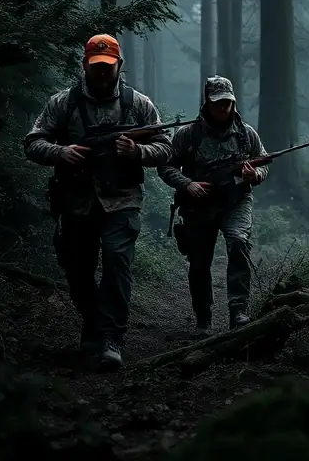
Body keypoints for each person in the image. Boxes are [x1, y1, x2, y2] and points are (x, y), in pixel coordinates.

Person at [23, 34, 172, 370]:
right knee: (77, 269)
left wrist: (139, 152)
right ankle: (92, 322)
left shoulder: (139, 104)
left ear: (120, 65)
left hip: (122, 200)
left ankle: (111, 338)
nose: (102, 73)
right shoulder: (64, 103)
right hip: (76, 202)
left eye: (108, 66)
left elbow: (166, 147)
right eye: (96, 67)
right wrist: (61, 152)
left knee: (118, 263)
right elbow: (33, 142)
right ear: (85, 65)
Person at [158, 76, 269, 337]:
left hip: (236, 201)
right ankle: (203, 318)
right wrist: (187, 184)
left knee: (239, 242)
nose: (224, 108)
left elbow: (263, 162)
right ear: (207, 101)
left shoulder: (246, 134)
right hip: (199, 205)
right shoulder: (189, 134)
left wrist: (256, 175)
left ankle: (239, 310)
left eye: (228, 102)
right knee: (199, 260)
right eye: (218, 102)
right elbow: (165, 165)